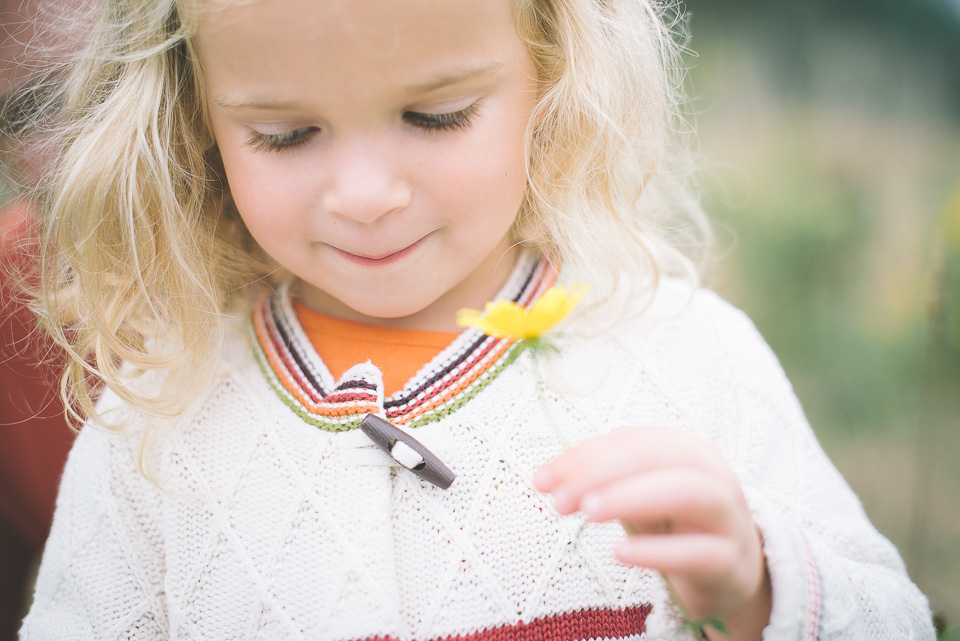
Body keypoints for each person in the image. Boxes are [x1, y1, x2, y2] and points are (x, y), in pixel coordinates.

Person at [3, 0, 935, 638]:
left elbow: (895, 617)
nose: (364, 196)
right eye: (286, 134)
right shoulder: (157, 430)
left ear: (552, 75)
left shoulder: (687, 356)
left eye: (436, 115)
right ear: (194, 119)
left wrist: (761, 584)